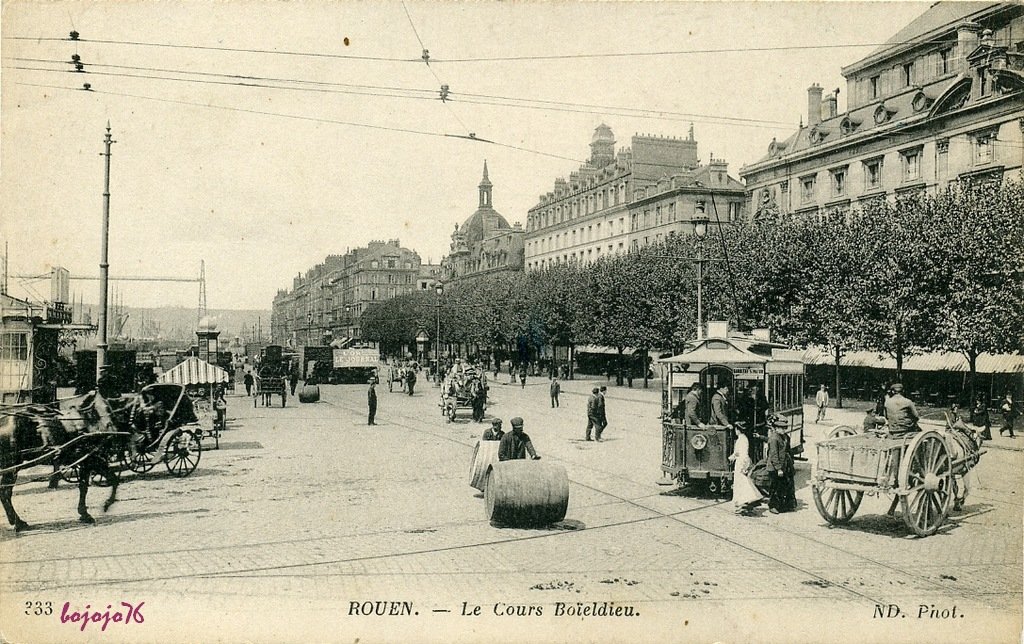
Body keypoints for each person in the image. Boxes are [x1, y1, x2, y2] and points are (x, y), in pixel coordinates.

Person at [728, 425, 763, 515]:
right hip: (740, 462)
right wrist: (733, 457)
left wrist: (744, 466)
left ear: (738, 430)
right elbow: (738, 453)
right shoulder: (743, 438)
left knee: (741, 482)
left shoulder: (741, 440)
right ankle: (742, 502)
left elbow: (742, 454)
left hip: (741, 463)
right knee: (741, 482)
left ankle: (745, 501)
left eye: (736, 429)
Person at [766, 417, 796, 514]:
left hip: (784, 465)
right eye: (781, 428)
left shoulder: (785, 437)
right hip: (774, 467)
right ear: (776, 428)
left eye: (784, 428)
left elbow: (788, 450)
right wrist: (778, 469)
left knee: (782, 486)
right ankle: (772, 506)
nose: (783, 430)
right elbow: (774, 455)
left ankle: (783, 505)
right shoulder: (774, 438)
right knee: (774, 486)